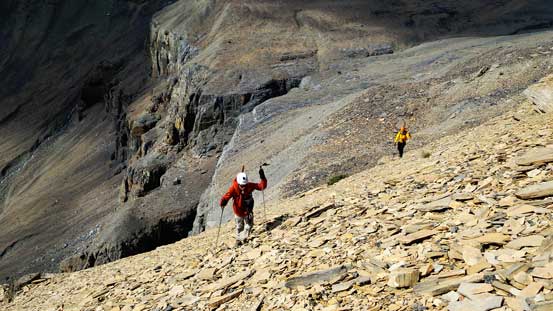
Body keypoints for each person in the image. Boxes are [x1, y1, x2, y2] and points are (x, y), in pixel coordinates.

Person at [220, 167, 267, 246]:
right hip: (238, 212)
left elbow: (261, 186)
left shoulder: (249, 185)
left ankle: (243, 238)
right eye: (241, 185)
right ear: (238, 183)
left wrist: (263, 177)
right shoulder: (233, 189)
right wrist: (223, 201)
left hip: (248, 211)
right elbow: (226, 196)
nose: (243, 187)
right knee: (239, 227)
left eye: (244, 185)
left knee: (249, 225)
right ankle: (239, 240)